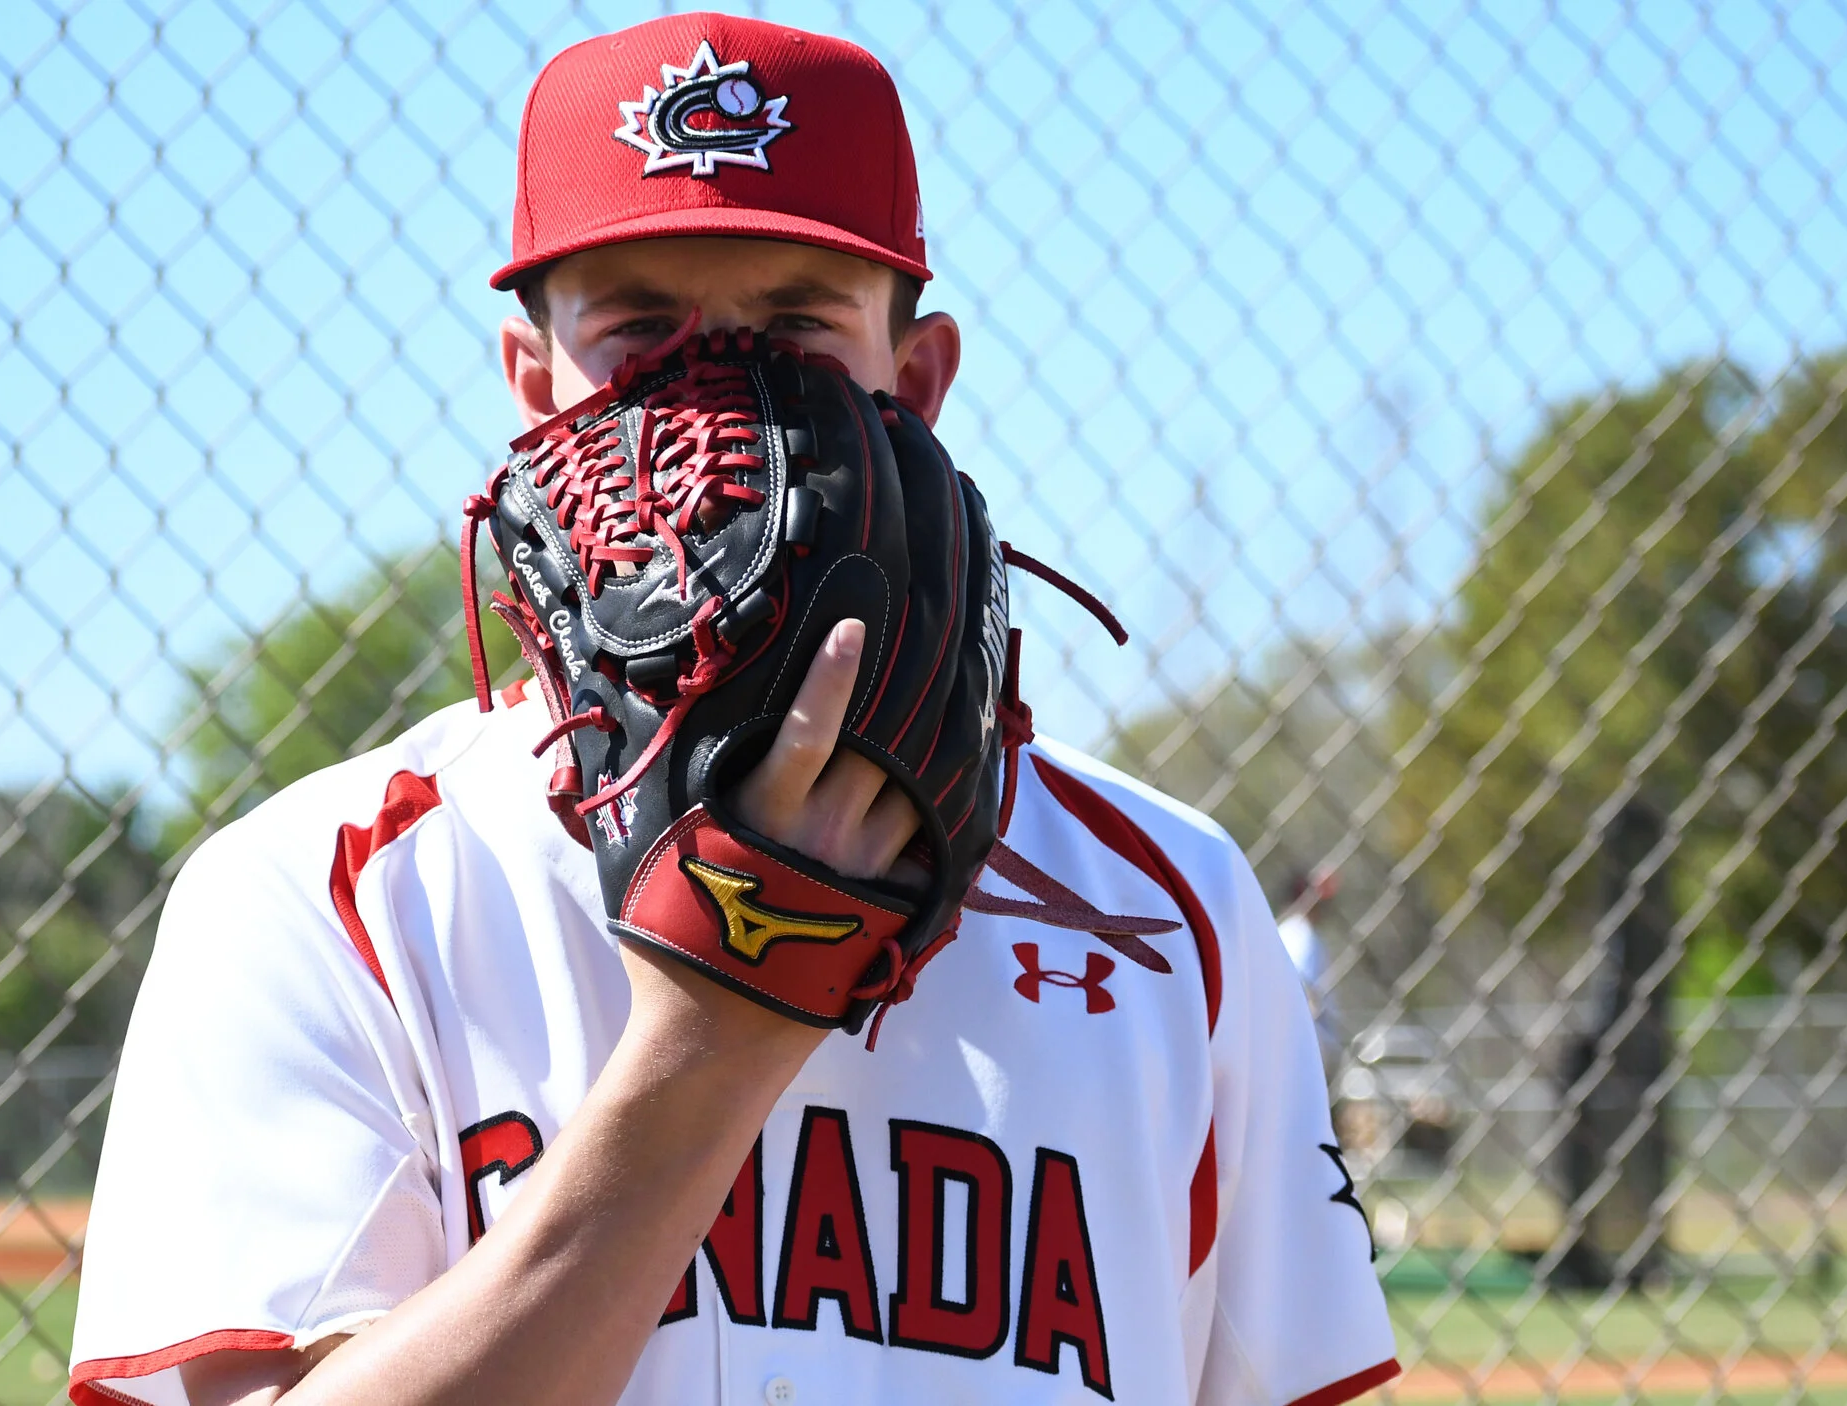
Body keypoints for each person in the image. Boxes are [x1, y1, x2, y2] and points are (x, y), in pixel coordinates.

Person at [67, 14, 1398, 1406]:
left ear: (918, 383)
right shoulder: (329, 894)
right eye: (640, 329)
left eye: (795, 326)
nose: (717, 402)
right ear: (535, 396)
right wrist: (715, 1036)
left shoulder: (1168, 902)